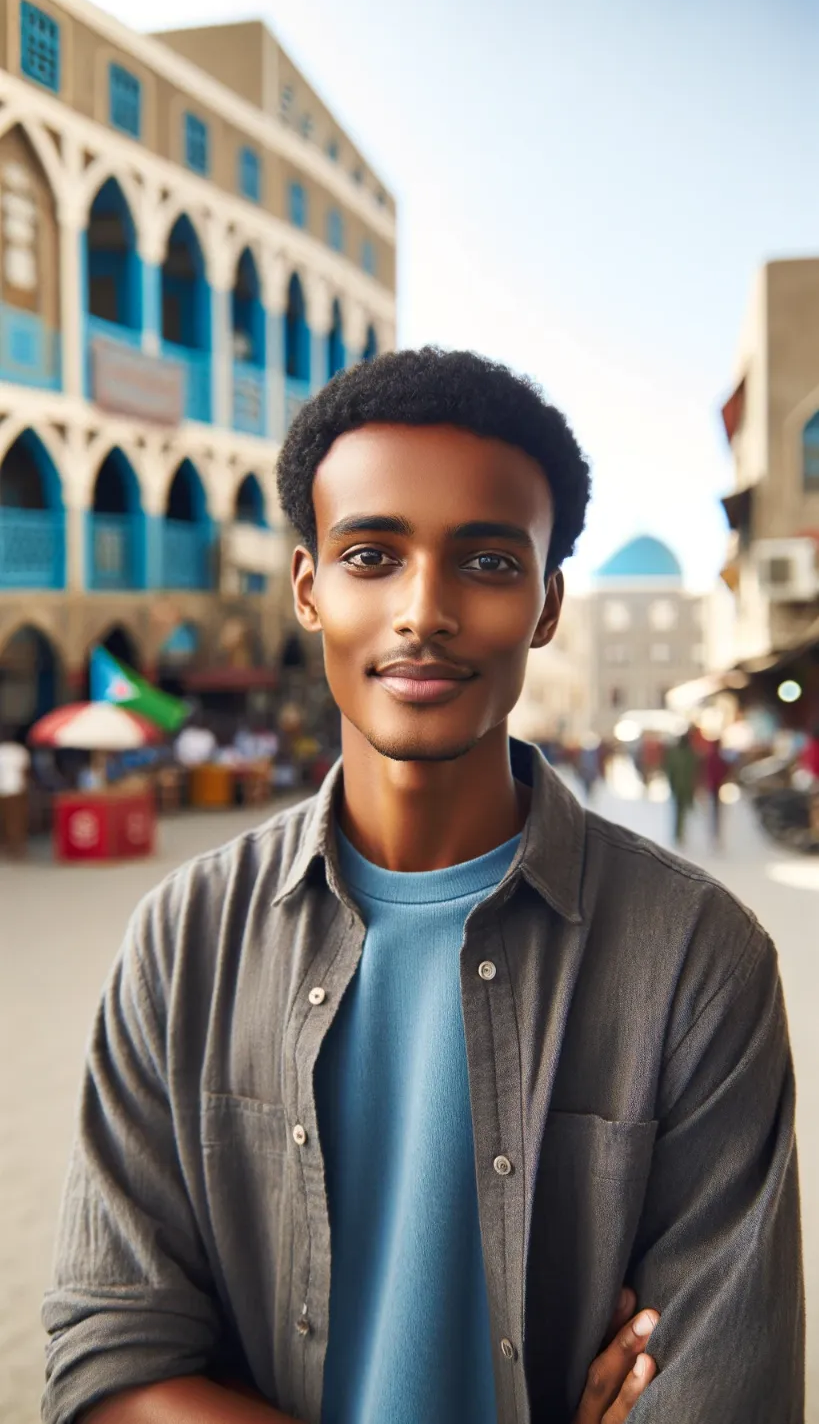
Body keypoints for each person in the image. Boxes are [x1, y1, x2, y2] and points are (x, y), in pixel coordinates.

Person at [42, 349, 803, 1424]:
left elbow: (725, 1390)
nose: (424, 610)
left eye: (488, 564)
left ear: (547, 605)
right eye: (371, 555)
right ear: (308, 587)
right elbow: (104, 1360)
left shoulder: (695, 959)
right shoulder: (188, 937)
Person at [663, 726, 699, 846]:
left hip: (682, 788)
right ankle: (678, 834)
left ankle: (680, 834)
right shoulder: (685, 755)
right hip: (681, 788)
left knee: (681, 812)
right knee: (680, 812)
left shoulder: (686, 755)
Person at [0, 731, 30, 857]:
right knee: (16, 820)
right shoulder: (19, 751)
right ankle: (16, 847)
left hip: (3, 790)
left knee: (4, 820)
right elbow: (25, 771)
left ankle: (7, 846)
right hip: (15, 790)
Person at [704, 736, 729, 844]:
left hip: (713, 787)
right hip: (715, 787)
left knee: (714, 811)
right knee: (715, 811)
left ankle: (714, 833)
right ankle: (715, 833)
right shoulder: (717, 757)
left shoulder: (712, 757)